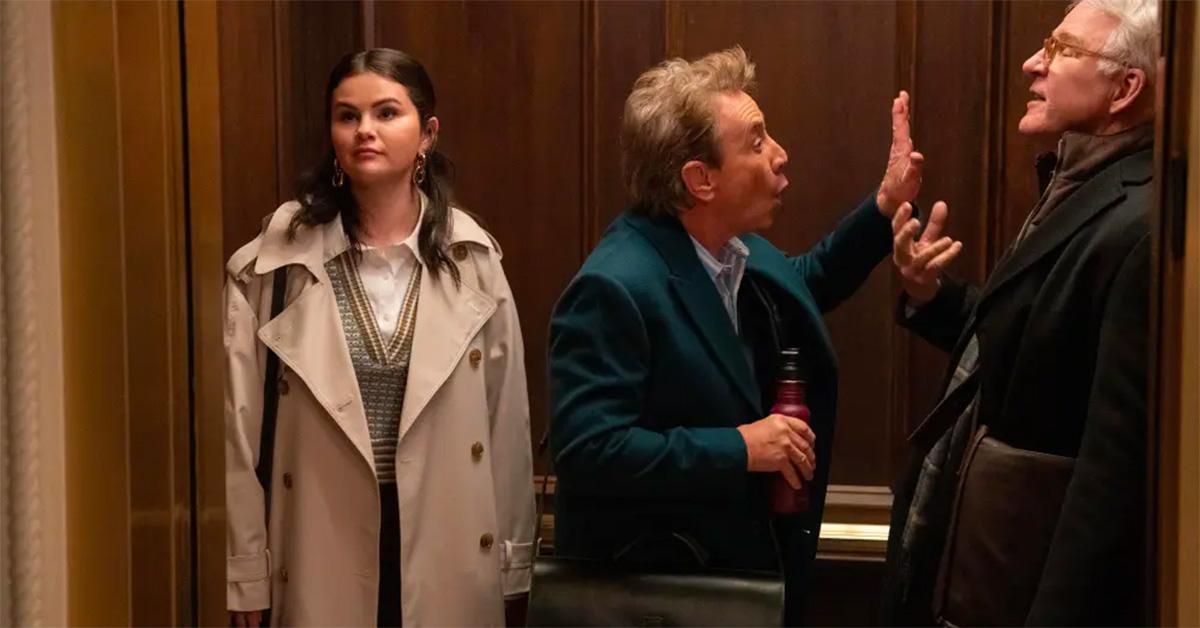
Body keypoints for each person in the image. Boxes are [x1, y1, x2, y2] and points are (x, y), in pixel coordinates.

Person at [547, 46, 925, 625]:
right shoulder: (615, 285)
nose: (779, 155)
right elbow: (590, 451)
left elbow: (802, 286)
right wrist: (742, 447)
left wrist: (883, 208)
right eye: (755, 141)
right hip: (665, 594)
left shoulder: (724, 248)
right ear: (700, 180)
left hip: (737, 578)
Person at [224, 48, 535, 627]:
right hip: (320, 536)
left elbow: (506, 422)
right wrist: (245, 571)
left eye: (386, 113)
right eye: (347, 116)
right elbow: (237, 431)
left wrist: (515, 564)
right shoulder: (274, 266)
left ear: (427, 134)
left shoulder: (473, 260)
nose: (365, 130)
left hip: (446, 540)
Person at [882, 0, 1158, 624]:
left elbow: (1109, 478)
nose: (1034, 64)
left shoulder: (1140, 221)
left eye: (1062, 50)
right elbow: (1032, 346)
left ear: (1125, 88)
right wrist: (932, 295)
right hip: (982, 559)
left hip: (1020, 579)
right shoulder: (1080, 179)